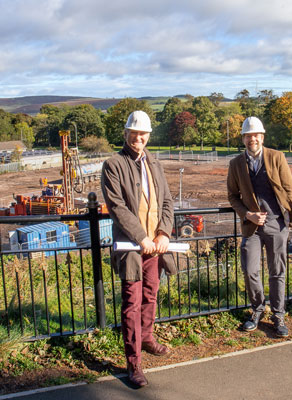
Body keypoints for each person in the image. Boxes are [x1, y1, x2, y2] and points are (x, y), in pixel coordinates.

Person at [101, 110, 174, 387]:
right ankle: (134, 363)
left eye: (144, 134)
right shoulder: (113, 164)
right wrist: (142, 236)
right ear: (126, 134)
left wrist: (164, 232)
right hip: (132, 246)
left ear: (148, 137)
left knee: (150, 295)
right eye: (135, 133)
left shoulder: (155, 164)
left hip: (154, 246)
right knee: (131, 303)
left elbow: (167, 201)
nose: (139, 138)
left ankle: (146, 338)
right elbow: (117, 206)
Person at [227, 116, 292, 338]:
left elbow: (289, 189)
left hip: (277, 225)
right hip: (252, 227)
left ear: (262, 136)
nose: (252, 139)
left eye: (256, 135)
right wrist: (247, 214)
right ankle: (257, 309)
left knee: (277, 272)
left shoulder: (277, 157)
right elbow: (232, 196)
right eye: (248, 136)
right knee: (250, 270)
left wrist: (286, 222)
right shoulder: (236, 164)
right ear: (243, 138)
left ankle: (278, 315)